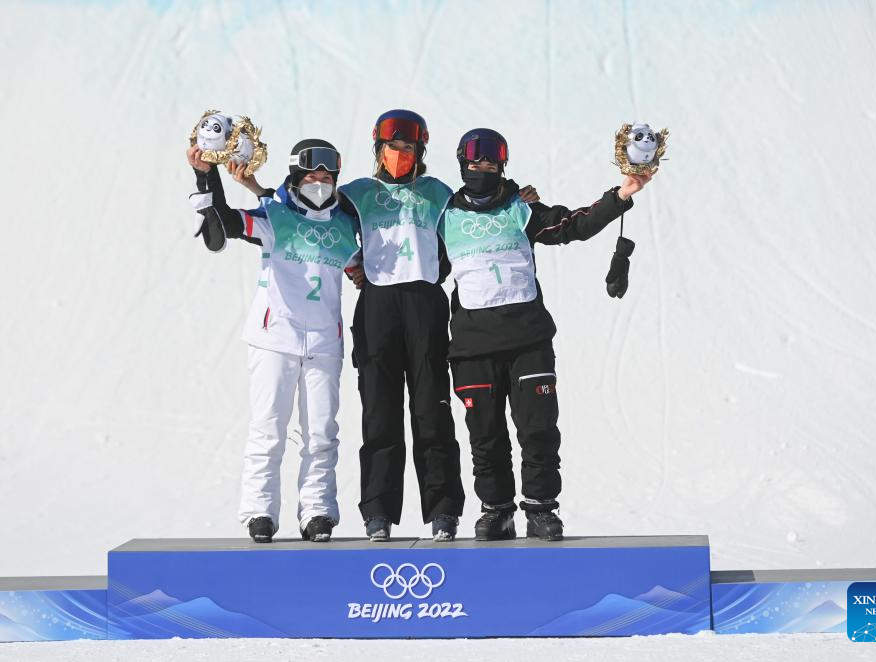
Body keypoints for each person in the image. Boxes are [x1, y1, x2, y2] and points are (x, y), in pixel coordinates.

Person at [438, 128, 654, 541]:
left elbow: (574, 225)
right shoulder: (445, 216)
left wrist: (622, 194)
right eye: (474, 162)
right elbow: (418, 262)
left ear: (502, 166)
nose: (481, 169)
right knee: (486, 437)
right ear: (462, 165)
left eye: (490, 163)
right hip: (471, 346)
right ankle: (496, 510)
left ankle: (540, 509)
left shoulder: (521, 210)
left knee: (537, 431)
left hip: (527, 341)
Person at [185, 138, 360, 543]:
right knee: (269, 429)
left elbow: (359, 266)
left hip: (324, 343)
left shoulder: (346, 225)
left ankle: (318, 511)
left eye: (328, 175)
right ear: (297, 177)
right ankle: (260, 511)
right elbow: (226, 224)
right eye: (312, 175)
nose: (321, 181)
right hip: (274, 337)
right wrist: (204, 175)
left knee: (321, 432)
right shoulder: (275, 216)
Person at [334, 109, 467, 542]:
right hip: (377, 305)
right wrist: (353, 263)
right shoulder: (356, 193)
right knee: (379, 413)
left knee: (432, 410)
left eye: (409, 148)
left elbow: (466, 231)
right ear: (378, 148)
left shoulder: (437, 193)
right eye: (394, 146)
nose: (401, 154)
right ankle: (378, 513)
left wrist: (514, 196)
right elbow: (317, 220)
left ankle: (443, 510)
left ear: (420, 152)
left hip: (424, 303)